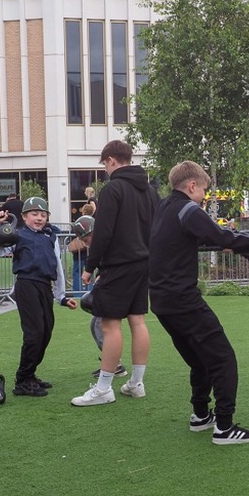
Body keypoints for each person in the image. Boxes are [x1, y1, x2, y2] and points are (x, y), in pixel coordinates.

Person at [150, 160, 249, 445]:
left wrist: (220, 242)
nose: (205, 196)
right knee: (223, 358)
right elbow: (217, 233)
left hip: (161, 300)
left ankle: (200, 415)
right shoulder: (189, 209)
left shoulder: (165, 208)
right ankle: (225, 427)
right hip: (182, 299)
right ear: (192, 186)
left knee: (199, 359)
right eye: (204, 189)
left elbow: (189, 239)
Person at [72, 140, 158, 406]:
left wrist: (89, 268)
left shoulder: (112, 189)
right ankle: (136, 383)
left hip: (119, 265)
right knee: (138, 321)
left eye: (104, 164)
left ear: (110, 160)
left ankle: (104, 389)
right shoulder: (151, 192)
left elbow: (104, 232)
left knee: (110, 325)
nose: (105, 169)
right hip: (144, 264)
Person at [0, 197, 77, 396]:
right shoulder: (17, 235)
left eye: (43, 214)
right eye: (34, 214)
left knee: (45, 332)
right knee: (34, 332)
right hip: (27, 285)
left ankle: (30, 374)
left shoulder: (50, 237)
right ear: (24, 217)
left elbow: (58, 268)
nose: (39, 218)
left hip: (45, 287)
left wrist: (61, 296)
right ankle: (22, 380)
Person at [71, 215, 128, 378]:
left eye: (88, 238)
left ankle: (115, 364)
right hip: (109, 285)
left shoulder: (108, 242)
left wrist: (99, 276)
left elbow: (112, 265)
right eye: (84, 240)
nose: (87, 242)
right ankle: (113, 362)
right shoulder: (101, 244)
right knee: (95, 325)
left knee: (102, 326)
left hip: (115, 287)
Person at [67, 203, 95, 293]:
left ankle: (77, 292)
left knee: (77, 272)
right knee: (89, 271)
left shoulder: (78, 224)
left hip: (78, 253)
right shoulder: (94, 222)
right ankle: (89, 291)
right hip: (88, 254)